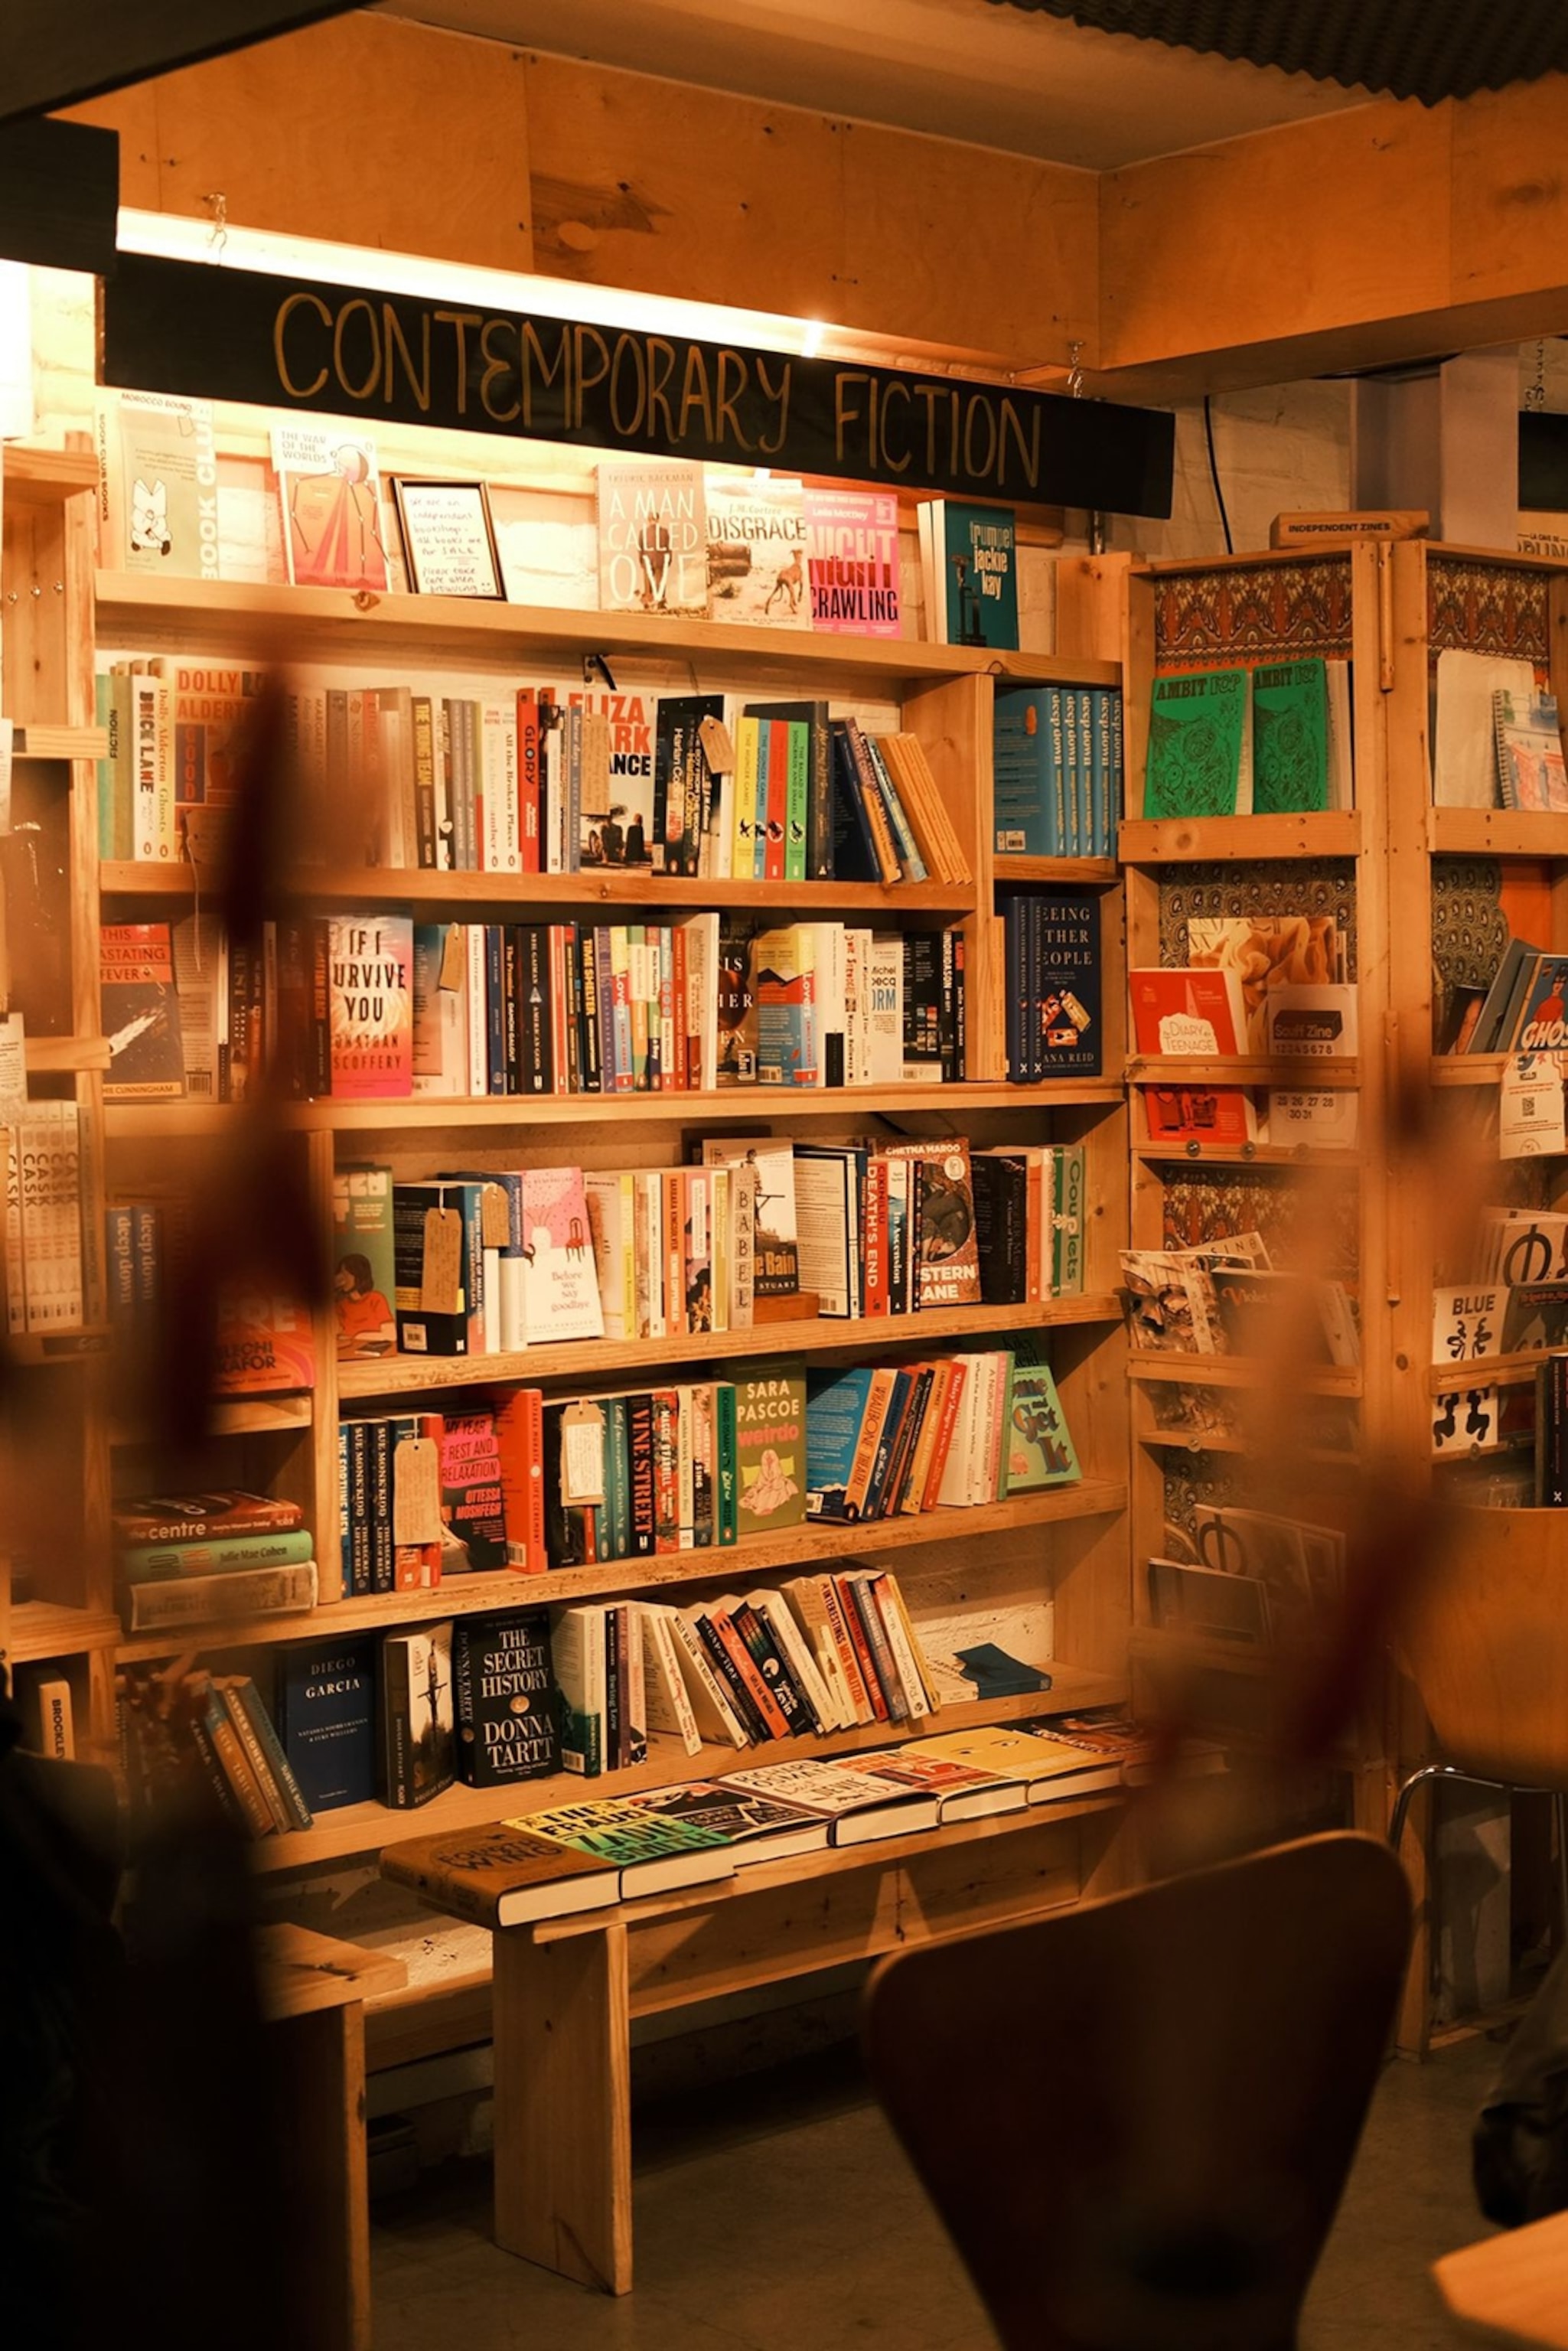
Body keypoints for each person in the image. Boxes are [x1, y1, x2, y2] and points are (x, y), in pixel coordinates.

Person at [333, 1253, 394, 1355]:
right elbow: (335, 1334)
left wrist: (358, 1336)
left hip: (370, 1354)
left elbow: (391, 1335)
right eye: (340, 1273)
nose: (342, 1279)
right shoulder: (341, 1304)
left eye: (346, 1273)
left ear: (358, 1275)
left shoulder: (376, 1299)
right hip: (346, 1355)